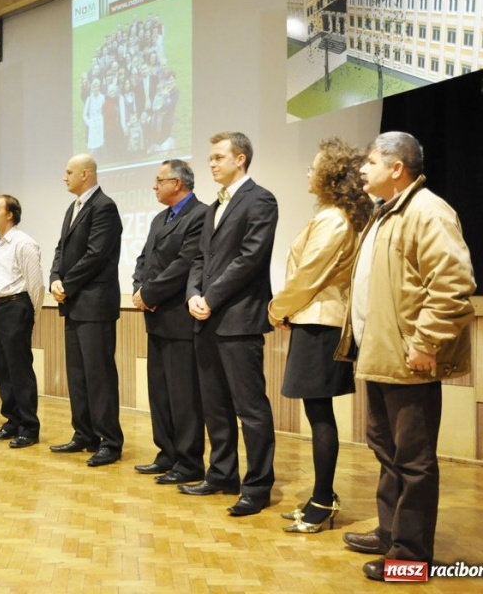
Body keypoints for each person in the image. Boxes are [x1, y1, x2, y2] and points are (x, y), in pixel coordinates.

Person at [335, 132, 475, 581]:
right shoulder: (386, 212)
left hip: (409, 359)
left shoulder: (428, 211)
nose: (362, 169)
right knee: (386, 450)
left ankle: (410, 559)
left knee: (413, 461)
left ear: (397, 168)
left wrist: (426, 342)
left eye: (371, 161)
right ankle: (390, 532)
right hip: (381, 356)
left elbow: (453, 286)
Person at [268, 137, 373, 533]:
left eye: (313, 167)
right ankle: (321, 498)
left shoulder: (333, 219)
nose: (308, 173)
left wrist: (278, 308)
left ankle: (322, 501)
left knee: (319, 414)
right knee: (318, 412)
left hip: (320, 323)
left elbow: (307, 275)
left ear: (329, 176)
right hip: (315, 320)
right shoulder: (333, 214)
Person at [183, 131, 278, 518]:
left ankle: (258, 486)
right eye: (210, 157)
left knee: (250, 408)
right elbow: (199, 260)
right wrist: (193, 293)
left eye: (219, 156)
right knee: (215, 405)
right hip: (205, 318)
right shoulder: (211, 208)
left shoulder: (261, 200)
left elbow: (250, 259)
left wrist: (211, 297)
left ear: (241, 160)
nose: (211, 163)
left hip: (239, 320)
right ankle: (222, 473)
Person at [131, 159, 206, 484]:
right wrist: (138, 287)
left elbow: (184, 264)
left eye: (159, 180)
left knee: (183, 396)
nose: (153, 186)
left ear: (177, 183)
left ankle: (189, 462)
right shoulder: (160, 218)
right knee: (160, 392)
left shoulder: (201, 215)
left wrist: (149, 292)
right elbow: (144, 258)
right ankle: (167, 453)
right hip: (156, 317)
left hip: (178, 318)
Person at [49, 153, 124, 467]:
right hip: (75, 303)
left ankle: (110, 440)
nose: (64, 177)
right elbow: (61, 249)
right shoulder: (74, 207)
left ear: (86, 174)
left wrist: (67, 284)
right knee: (78, 374)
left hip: (94, 304)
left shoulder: (104, 207)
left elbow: (96, 255)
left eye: (68, 172)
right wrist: (54, 277)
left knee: (99, 375)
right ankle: (84, 434)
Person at [0, 195, 45, 449]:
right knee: (2, 369)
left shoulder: (24, 243)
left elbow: (36, 285)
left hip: (16, 306)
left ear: (10, 214)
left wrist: (32, 317)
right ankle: (12, 420)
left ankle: (29, 427)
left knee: (19, 370)